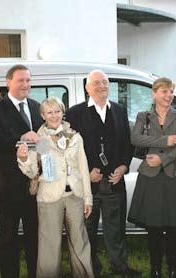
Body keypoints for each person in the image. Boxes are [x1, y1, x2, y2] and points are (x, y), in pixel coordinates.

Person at [65, 70, 140, 278]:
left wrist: (124, 166)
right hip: (87, 184)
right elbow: (68, 150)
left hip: (114, 182)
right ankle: (91, 268)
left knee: (116, 230)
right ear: (87, 88)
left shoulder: (119, 110)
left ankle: (120, 266)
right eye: (96, 83)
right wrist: (86, 172)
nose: (101, 86)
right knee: (86, 231)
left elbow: (128, 143)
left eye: (105, 82)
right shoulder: (73, 114)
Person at [16, 96, 93, 277]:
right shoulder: (39, 139)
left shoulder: (74, 135)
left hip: (75, 195)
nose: (54, 115)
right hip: (49, 197)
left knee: (80, 242)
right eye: (49, 112)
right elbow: (33, 170)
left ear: (62, 112)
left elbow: (83, 168)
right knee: (49, 245)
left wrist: (88, 199)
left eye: (57, 111)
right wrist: (24, 158)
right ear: (42, 115)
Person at [128, 77, 176, 278]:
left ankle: (174, 269)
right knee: (154, 227)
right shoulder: (143, 116)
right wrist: (165, 140)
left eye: (171, 92)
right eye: (164, 91)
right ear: (154, 93)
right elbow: (135, 138)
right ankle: (155, 269)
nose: (168, 95)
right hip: (150, 176)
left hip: (174, 174)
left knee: (175, 228)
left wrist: (162, 159)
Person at [0, 64, 43, 278]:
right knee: (8, 240)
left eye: (28, 80)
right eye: (20, 80)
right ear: (8, 82)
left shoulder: (37, 107)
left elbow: (43, 145)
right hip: (8, 187)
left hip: (34, 187)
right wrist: (22, 139)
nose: (25, 85)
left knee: (34, 239)